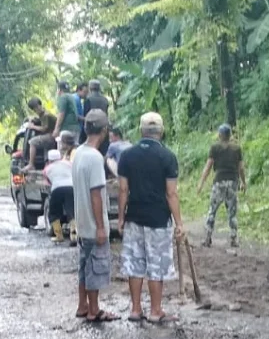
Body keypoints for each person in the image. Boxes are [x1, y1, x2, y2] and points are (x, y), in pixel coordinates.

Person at [116, 112, 185, 323]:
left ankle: (136, 309)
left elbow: (123, 190)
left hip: (134, 217)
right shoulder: (167, 157)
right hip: (158, 219)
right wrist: (179, 223)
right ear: (161, 132)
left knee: (135, 263)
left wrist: (120, 218)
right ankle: (156, 311)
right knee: (156, 265)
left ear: (141, 131)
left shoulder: (127, 156)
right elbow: (171, 193)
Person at [71, 109, 118, 323]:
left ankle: (83, 305)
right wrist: (100, 226)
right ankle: (94, 309)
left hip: (81, 221)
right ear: (105, 130)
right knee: (95, 267)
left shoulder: (78, 153)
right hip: (92, 223)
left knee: (83, 266)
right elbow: (96, 194)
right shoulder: (95, 158)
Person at [197, 124, 246, 247]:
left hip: (219, 182)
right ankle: (234, 239)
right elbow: (241, 168)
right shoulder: (236, 149)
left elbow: (208, 167)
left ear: (220, 135)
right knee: (232, 212)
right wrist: (243, 182)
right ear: (230, 135)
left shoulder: (215, 148)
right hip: (233, 182)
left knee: (212, 210)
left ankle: (208, 238)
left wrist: (201, 182)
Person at [44, 149, 74, 244]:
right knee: (72, 212)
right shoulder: (69, 164)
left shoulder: (47, 169)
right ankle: (74, 236)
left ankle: (59, 236)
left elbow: (48, 183)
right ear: (60, 157)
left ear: (49, 160)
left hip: (57, 189)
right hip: (71, 188)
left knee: (54, 213)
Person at [25, 97, 59, 171]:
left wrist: (33, 126)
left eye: (37, 107)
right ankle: (47, 165)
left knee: (32, 142)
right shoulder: (42, 115)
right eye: (35, 109)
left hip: (53, 136)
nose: (37, 109)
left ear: (40, 105)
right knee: (46, 151)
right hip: (51, 136)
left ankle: (31, 164)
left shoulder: (45, 115)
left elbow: (44, 128)